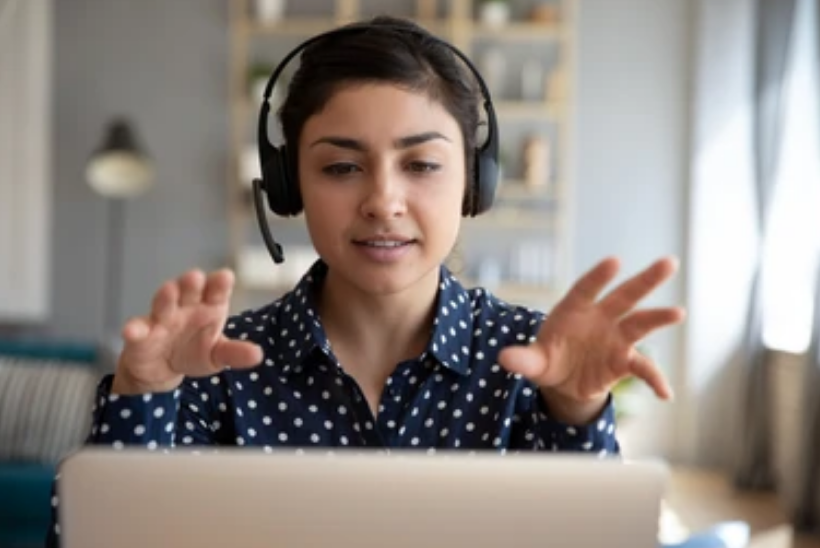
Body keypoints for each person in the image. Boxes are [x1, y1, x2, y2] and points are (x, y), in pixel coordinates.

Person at [45, 14, 684, 547]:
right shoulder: (215, 369)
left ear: (474, 182)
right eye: (343, 166)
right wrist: (144, 395)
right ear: (290, 186)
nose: (383, 200)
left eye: (422, 164)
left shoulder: (533, 365)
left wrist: (573, 412)